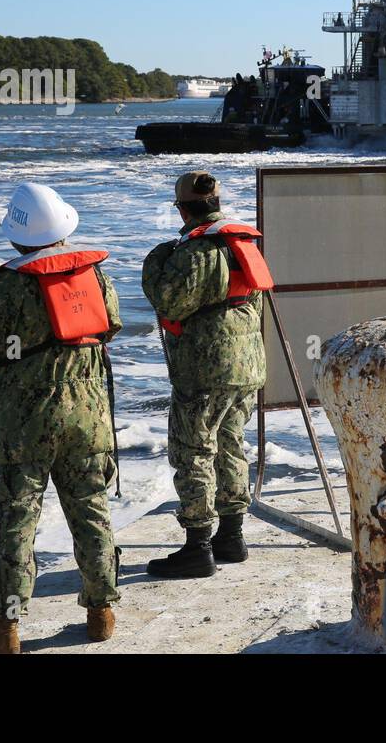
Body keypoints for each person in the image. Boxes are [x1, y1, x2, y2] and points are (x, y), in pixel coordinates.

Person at [0, 183, 123, 654]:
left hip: (24, 419)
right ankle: (100, 612)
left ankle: (6, 629)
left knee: (16, 517)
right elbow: (112, 324)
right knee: (90, 507)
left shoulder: (6, 287)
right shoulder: (97, 277)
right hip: (88, 413)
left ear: (17, 237)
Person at [142, 171, 272, 578]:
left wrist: (157, 259)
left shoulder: (192, 252)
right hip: (248, 363)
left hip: (205, 367)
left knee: (194, 451)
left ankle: (198, 545)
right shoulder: (243, 244)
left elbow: (168, 302)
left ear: (182, 208)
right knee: (232, 444)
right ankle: (231, 537)